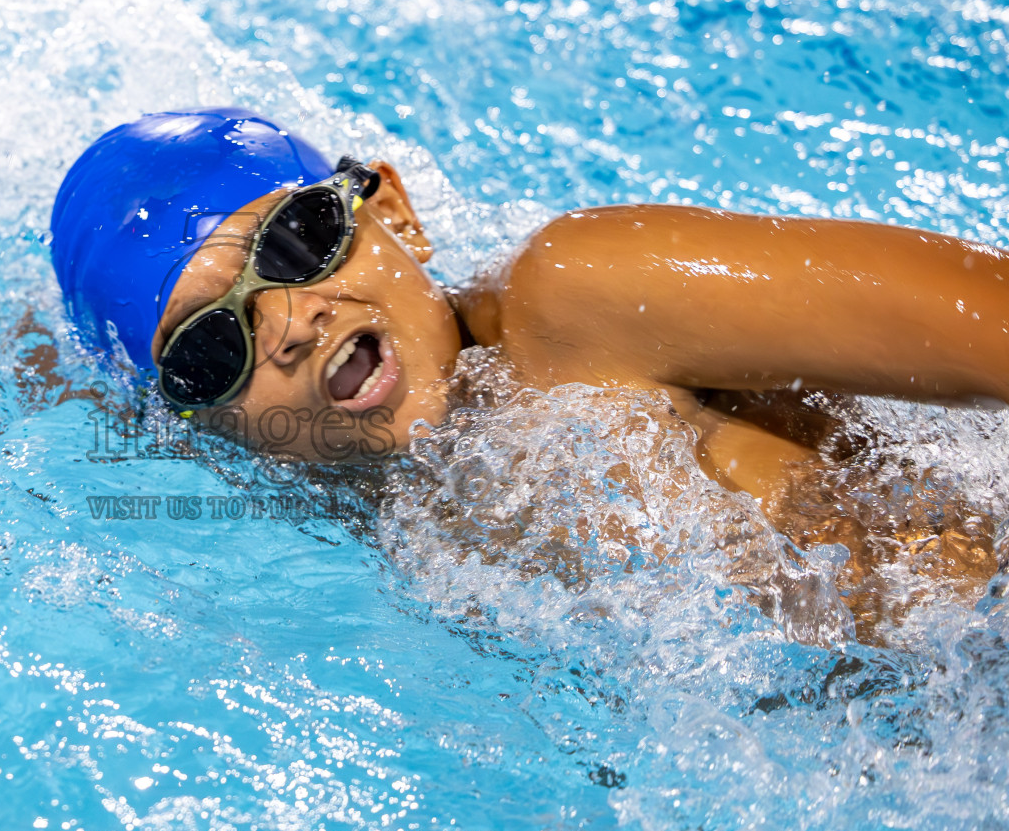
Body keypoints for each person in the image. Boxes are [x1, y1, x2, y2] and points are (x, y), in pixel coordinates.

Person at [52, 108, 1007, 619]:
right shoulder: (364, 498)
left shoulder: (582, 302)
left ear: (391, 213)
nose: (293, 325)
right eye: (212, 348)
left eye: (299, 241)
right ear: (198, 417)